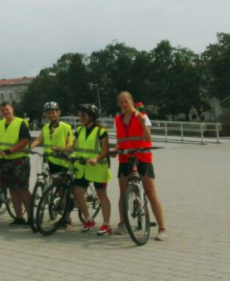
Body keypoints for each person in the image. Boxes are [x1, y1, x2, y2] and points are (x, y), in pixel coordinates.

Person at [113, 92, 168, 241]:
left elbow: (147, 137)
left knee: (150, 192)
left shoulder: (142, 116)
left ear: (131, 101)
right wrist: (115, 149)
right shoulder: (118, 119)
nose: (124, 104)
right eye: (121, 102)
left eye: (126, 101)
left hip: (142, 156)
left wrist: (143, 124)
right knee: (123, 193)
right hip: (125, 157)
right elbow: (120, 140)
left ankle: (162, 228)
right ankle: (123, 223)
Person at [67, 104, 112, 235]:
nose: (80, 117)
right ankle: (88, 219)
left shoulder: (101, 131)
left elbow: (105, 151)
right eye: (79, 115)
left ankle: (106, 225)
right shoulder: (79, 130)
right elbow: (74, 147)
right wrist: (60, 149)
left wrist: (96, 159)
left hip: (98, 168)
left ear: (91, 116)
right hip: (82, 167)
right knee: (77, 192)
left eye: (83, 115)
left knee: (102, 195)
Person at [0, 101, 32, 226]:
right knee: (12, 189)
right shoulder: (0, 123)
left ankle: (32, 217)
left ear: (12, 109)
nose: (5, 112)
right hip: (5, 160)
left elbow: (25, 140)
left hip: (19, 159)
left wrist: (10, 151)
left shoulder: (21, 122)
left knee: (22, 189)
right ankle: (19, 217)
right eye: (2, 110)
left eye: (7, 109)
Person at [29, 102, 73, 175]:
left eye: (53, 112)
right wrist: (30, 147)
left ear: (58, 112)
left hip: (61, 162)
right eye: (48, 113)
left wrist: (61, 150)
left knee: (60, 181)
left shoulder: (66, 127)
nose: (51, 115)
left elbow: (69, 144)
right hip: (49, 160)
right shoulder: (46, 127)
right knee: (51, 179)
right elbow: (39, 139)